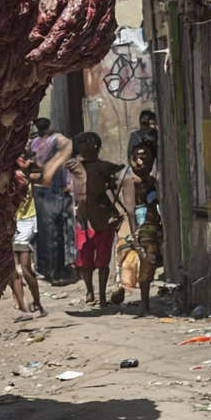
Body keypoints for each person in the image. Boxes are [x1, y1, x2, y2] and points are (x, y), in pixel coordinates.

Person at [67, 131, 124, 306]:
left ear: (96, 146)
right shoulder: (73, 166)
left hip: (102, 219)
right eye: (81, 142)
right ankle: (90, 291)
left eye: (87, 142)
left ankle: (103, 296)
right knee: (85, 261)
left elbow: (115, 189)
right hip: (83, 220)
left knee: (102, 261)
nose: (83, 145)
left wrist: (115, 211)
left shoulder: (105, 167)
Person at [114, 141, 163, 316]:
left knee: (154, 258)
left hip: (156, 220)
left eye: (144, 157)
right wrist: (135, 233)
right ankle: (144, 303)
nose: (140, 162)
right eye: (136, 158)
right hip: (140, 222)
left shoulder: (155, 176)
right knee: (145, 258)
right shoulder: (130, 179)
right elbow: (130, 209)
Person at [30, 117, 74, 283]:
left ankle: (50, 270)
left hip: (47, 191)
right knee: (50, 233)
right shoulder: (46, 141)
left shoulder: (45, 142)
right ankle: (50, 271)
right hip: (47, 191)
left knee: (49, 233)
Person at [11, 153, 46, 319]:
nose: (22, 158)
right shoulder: (8, 175)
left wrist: (31, 164)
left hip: (28, 222)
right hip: (11, 222)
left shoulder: (31, 175)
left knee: (25, 267)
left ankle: (37, 303)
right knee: (13, 270)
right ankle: (24, 308)